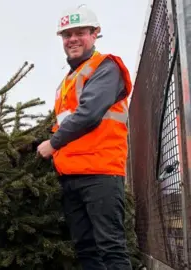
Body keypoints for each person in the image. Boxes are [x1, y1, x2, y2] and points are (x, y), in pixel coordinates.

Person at [35, 5, 133, 270]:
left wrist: (52, 144)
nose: (72, 39)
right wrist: (38, 144)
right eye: (67, 35)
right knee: (86, 249)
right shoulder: (69, 79)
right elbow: (66, 123)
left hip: (100, 172)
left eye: (80, 33)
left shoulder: (105, 67)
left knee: (111, 248)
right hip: (71, 175)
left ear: (95, 34)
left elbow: (89, 114)